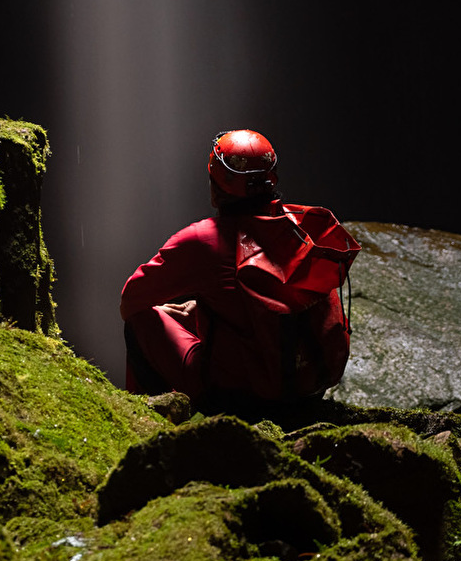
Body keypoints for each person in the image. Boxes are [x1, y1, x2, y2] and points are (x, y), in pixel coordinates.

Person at [120, 129, 361, 417]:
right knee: (190, 315)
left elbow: (131, 300)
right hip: (308, 387)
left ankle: (146, 421)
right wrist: (201, 309)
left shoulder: (203, 240)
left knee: (142, 319)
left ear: (215, 189)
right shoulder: (303, 231)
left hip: (236, 399)